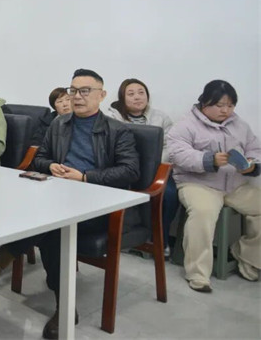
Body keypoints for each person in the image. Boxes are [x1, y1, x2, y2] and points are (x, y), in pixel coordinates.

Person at [0, 69, 139, 339]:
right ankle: (57, 296)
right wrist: (51, 166)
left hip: (98, 204)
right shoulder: (60, 124)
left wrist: (85, 177)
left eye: (85, 91)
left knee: (55, 228)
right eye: (73, 90)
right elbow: (40, 158)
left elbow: (130, 171)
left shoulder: (118, 131)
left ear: (102, 95)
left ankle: (56, 301)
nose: (77, 97)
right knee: (33, 211)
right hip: (58, 194)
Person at [167, 80, 260, 293]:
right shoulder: (185, 125)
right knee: (203, 213)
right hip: (198, 184)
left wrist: (252, 165)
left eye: (230, 105)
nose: (225, 110)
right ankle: (198, 274)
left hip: (235, 185)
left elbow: (255, 148)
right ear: (205, 102)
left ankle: (246, 256)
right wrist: (209, 160)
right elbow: (178, 154)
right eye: (219, 105)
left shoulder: (240, 125)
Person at [107, 78, 177, 256]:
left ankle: (159, 240)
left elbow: (170, 147)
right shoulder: (112, 117)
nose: (137, 97)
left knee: (169, 196)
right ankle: (126, 238)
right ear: (122, 98)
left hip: (156, 171)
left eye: (141, 93)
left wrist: (151, 165)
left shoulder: (161, 118)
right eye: (131, 94)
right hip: (124, 170)